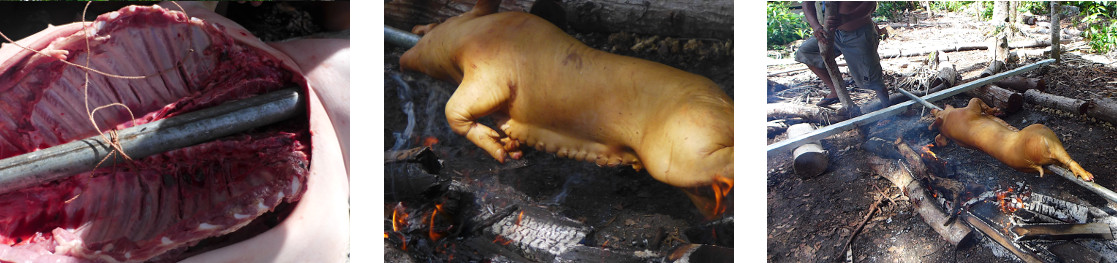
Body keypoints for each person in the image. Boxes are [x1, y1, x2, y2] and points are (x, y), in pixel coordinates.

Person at [796, 1, 888, 107]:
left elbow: (870, 4)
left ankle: (887, 109)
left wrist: (847, 18)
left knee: (872, 77)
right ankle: (836, 91)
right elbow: (807, 3)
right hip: (831, 32)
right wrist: (816, 27)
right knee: (806, 52)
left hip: (858, 33)